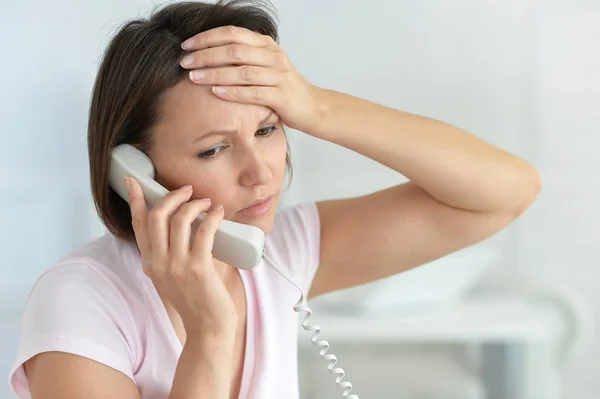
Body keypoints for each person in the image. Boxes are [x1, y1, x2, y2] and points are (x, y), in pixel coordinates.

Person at [7, 0, 542, 398]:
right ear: (136, 172)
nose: (261, 172)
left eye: (267, 129)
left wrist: (317, 107)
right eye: (214, 148)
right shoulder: (82, 300)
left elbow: (505, 192)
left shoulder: (280, 255)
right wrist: (211, 334)